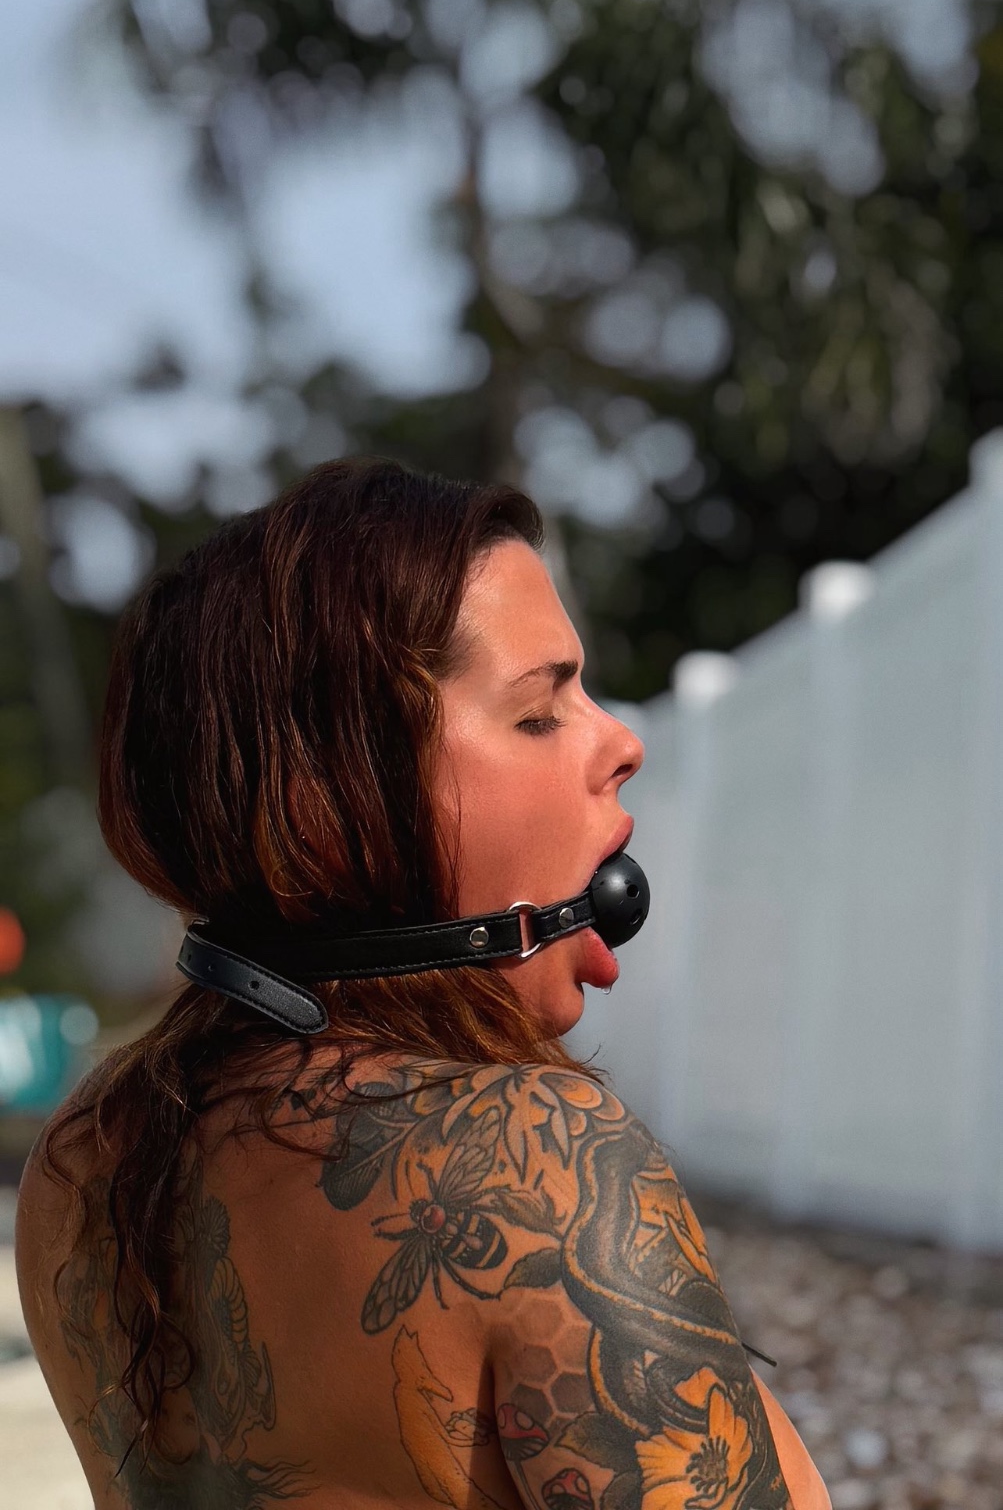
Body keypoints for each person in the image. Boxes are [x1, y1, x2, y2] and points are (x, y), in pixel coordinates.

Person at [15, 458, 830, 1510]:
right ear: (335, 802)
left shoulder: (82, 1155)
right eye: (537, 714)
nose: (621, 742)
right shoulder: (540, 1163)